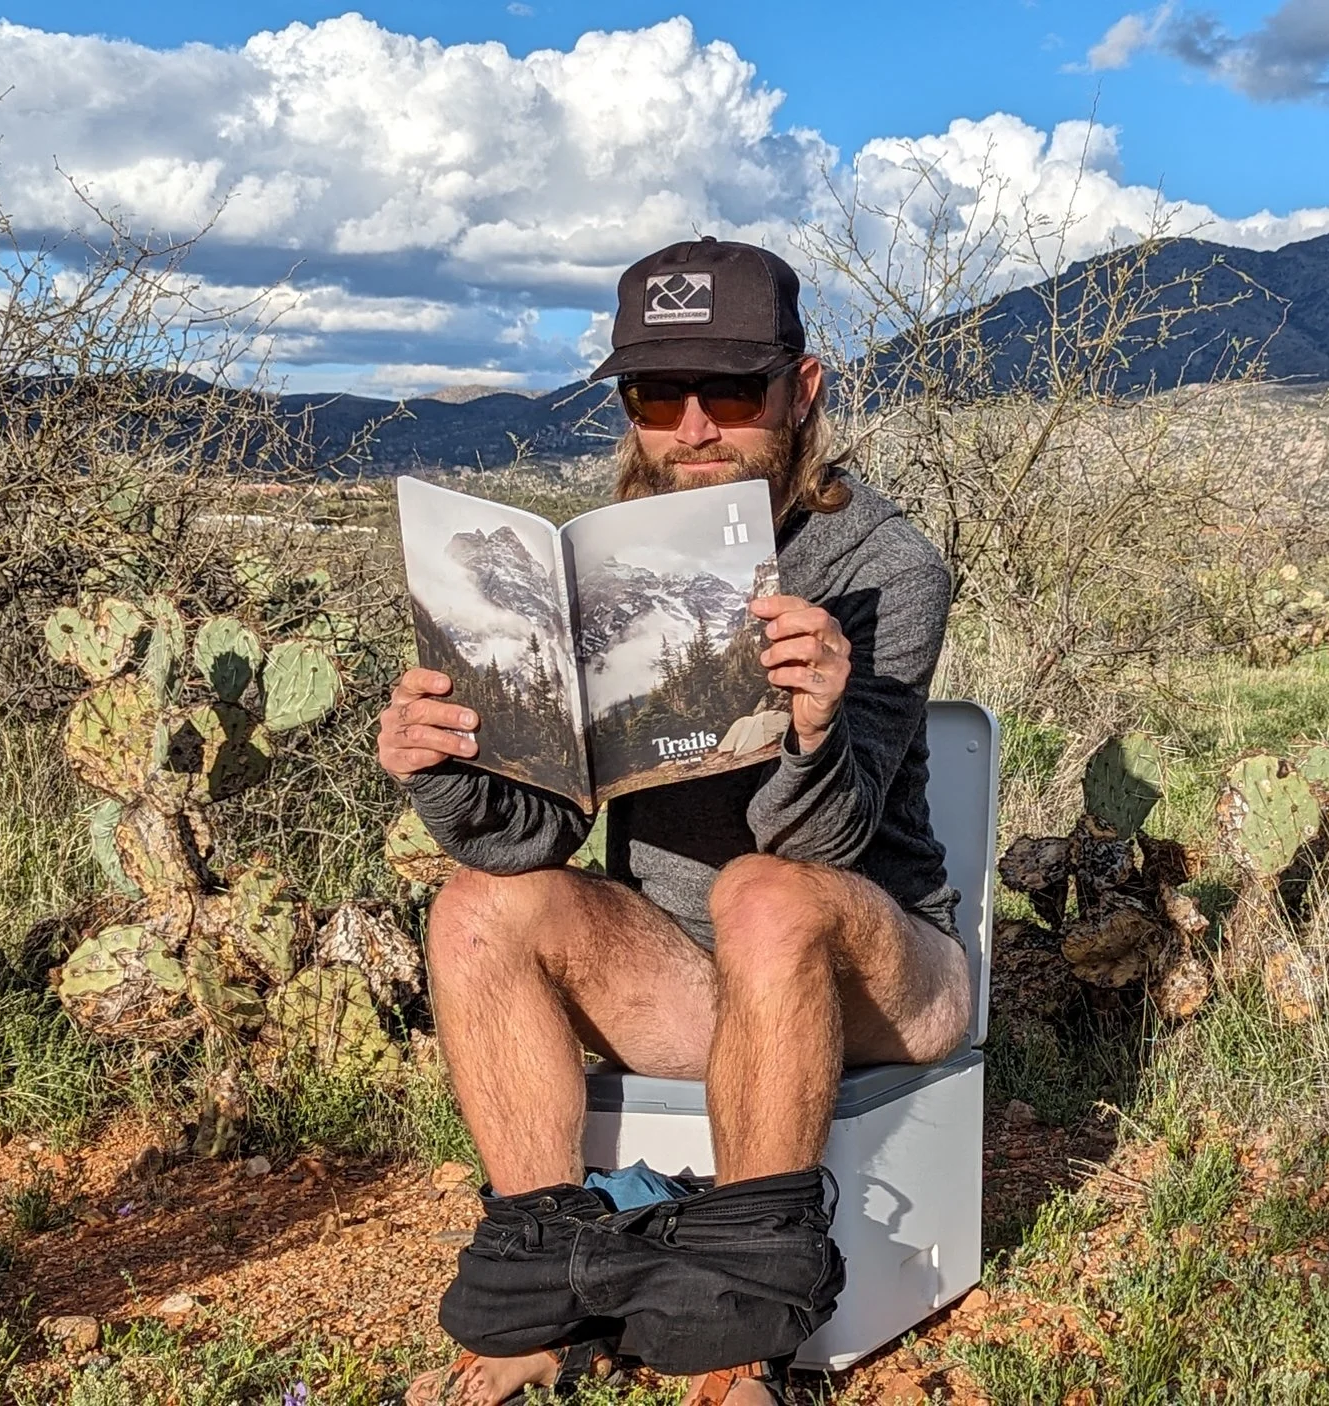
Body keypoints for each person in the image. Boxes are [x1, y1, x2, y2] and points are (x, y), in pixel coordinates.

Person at [391, 238, 971, 1406]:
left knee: (762, 890)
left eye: (732, 391)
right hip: (687, 976)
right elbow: (528, 850)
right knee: (474, 906)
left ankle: (741, 1333)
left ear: (800, 392)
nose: (695, 426)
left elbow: (823, 852)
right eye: (660, 394)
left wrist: (812, 725)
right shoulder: (598, 571)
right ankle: (531, 1298)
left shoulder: (883, 564)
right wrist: (445, 767)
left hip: (879, 971)